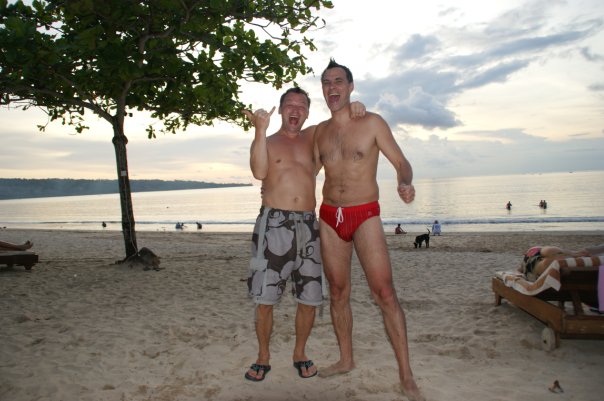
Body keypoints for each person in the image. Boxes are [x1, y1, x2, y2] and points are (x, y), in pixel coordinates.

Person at [314, 59, 424, 401]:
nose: (332, 87)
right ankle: (346, 359)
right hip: (329, 216)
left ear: (350, 87)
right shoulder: (320, 132)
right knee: (337, 292)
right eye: (326, 82)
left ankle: (406, 376)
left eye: (338, 81)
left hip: (364, 214)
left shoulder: (372, 122)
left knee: (385, 293)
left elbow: (401, 162)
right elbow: (305, 170)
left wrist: (404, 182)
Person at [242, 87, 366, 382]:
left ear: (308, 113)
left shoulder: (314, 138)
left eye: (301, 106)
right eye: (290, 105)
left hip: (309, 225)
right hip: (274, 225)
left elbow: (341, 123)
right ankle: (263, 356)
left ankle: (300, 353)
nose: (295, 110)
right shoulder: (267, 141)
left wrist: (355, 108)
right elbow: (259, 172)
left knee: (309, 298)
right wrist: (260, 129)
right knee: (265, 298)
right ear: (281, 109)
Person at [519, 244, 604, 281]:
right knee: (547, 257)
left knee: (547, 257)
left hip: (533, 265)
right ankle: (574, 254)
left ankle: (574, 253)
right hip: (533, 264)